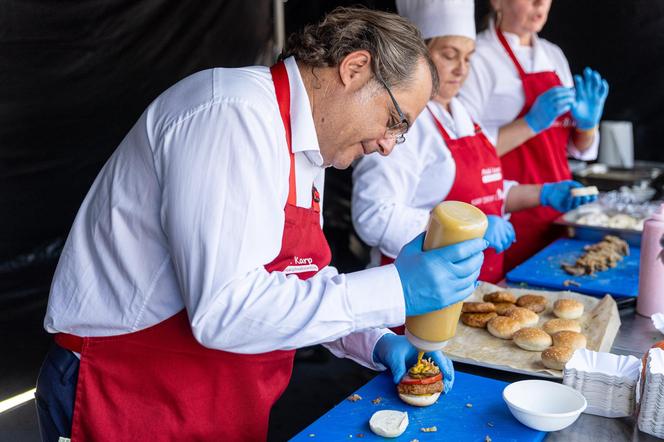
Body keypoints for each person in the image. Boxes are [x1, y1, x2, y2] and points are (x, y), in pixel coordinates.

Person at [34, 7, 488, 442]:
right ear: (354, 68)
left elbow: (294, 279)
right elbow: (224, 311)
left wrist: (375, 342)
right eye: (394, 121)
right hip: (128, 393)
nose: (390, 146)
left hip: (212, 400)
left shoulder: (307, 146)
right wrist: (394, 289)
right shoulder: (231, 116)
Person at [352, 0, 596, 284]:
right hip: (418, 290)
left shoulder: (461, 114)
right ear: (417, 56)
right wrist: (467, 231)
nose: (461, 70)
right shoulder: (402, 123)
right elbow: (374, 216)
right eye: (449, 55)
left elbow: (484, 194)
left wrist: (543, 194)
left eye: (467, 58)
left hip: (473, 287)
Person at [459, 0, 609, 270]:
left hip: (559, 203)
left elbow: (577, 148)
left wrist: (588, 126)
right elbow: (466, 155)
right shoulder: (476, 58)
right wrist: (530, 124)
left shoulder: (553, 55)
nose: (541, 3)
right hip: (508, 213)